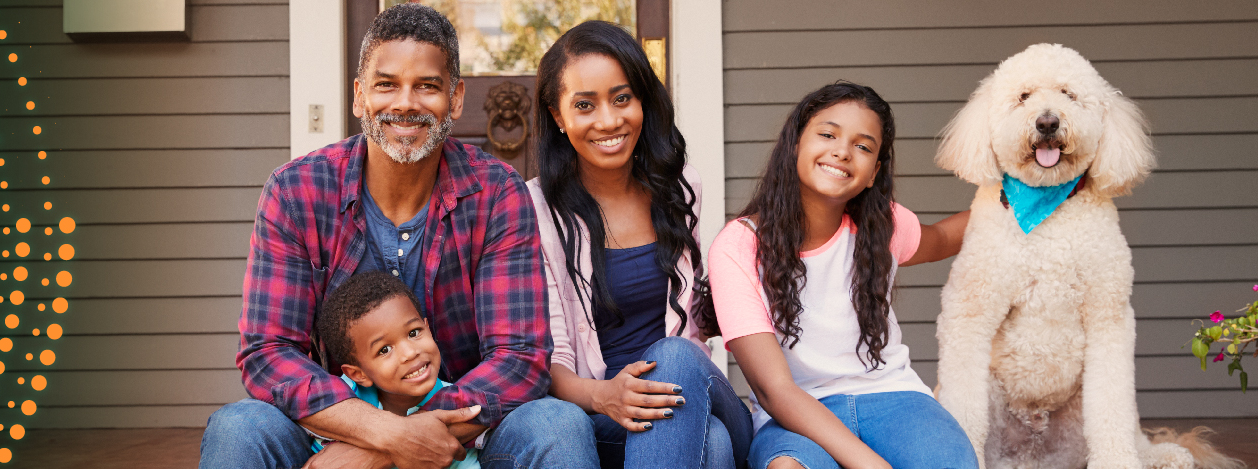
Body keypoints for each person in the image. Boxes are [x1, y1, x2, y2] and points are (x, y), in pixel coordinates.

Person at [199, 4, 597, 469]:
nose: (405, 102)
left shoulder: (496, 191)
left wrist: (398, 444)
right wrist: (381, 434)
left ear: (456, 98)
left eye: (426, 86)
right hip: (336, 425)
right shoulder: (296, 191)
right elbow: (268, 351)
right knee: (238, 427)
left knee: (558, 424)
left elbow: (519, 358)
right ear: (358, 96)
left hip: (472, 432)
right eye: (386, 84)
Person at [710, 82, 977, 469]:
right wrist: (871, 465)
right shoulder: (739, 247)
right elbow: (774, 390)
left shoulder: (881, 224)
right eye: (827, 134)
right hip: (796, 413)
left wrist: (1027, 195)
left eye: (863, 146)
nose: (842, 151)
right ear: (795, 144)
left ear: (873, 173)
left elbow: (942, 238)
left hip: (895, 400)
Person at [526, 20, 753, 469]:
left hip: (695, 385)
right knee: (714, 446)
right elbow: (551, 355)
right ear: (557, 116)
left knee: (673, 358)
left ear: (643, 99)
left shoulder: (681, 189)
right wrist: (604, 394)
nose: (609, 121)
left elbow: (691, 320)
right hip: (602, 411)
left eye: (622, 98)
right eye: (585, 105)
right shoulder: (536, 209)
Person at [311, 271, 481, 468]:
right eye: (384, 350)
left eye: (414, 333)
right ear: (359, 374)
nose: (410, 353)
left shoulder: (455, 406)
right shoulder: (341, 405)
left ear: (428, 328)